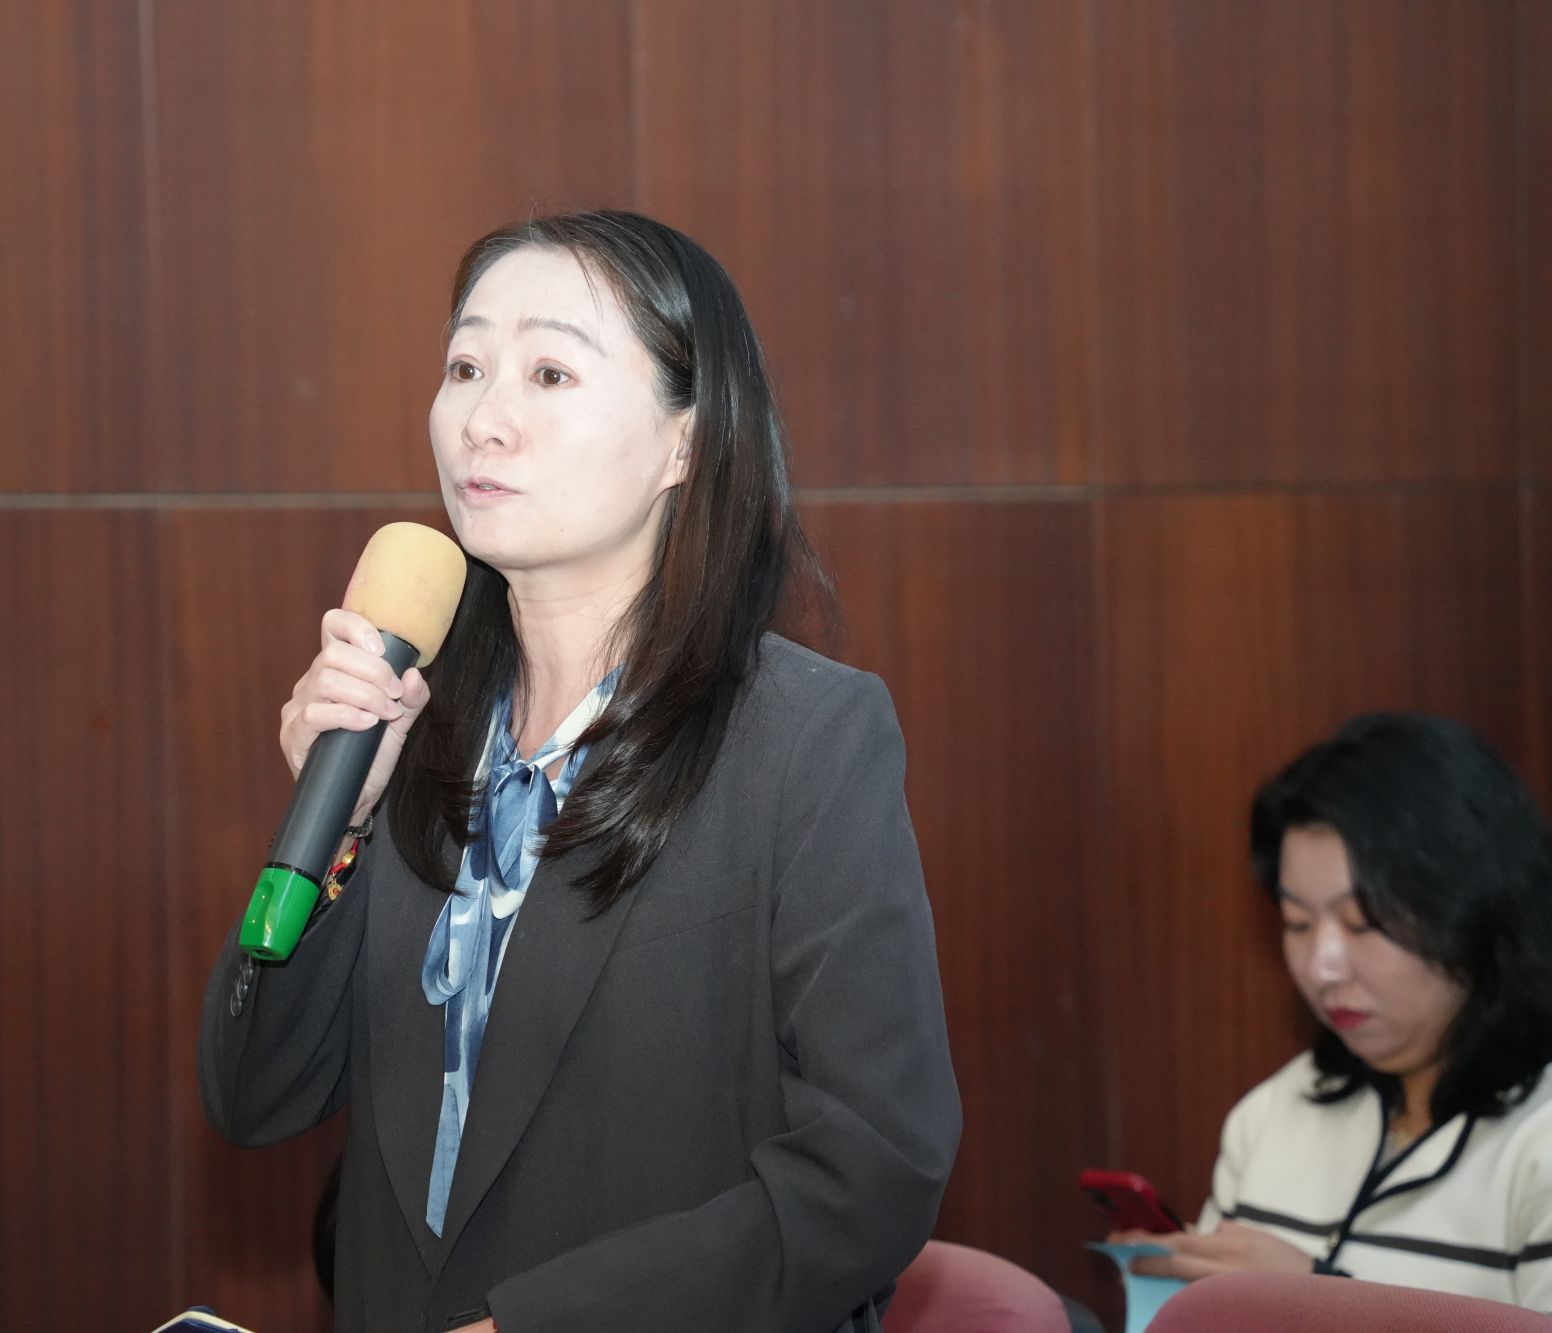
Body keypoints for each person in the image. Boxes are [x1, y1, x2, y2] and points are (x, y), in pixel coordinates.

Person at [200, 210, 959, 1332]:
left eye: (549, 373)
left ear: (685, 444)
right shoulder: (415, 724)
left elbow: (874, 1163)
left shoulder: (803, 738)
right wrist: (339, 825)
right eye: (465, 367)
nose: (483, 419)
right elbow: (254, 1096)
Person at [1114, 713, 1552, 1310]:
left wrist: (1325, 1299)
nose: (1322, 967)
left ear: (1478, 910)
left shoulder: (1537, 1135)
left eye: (1362, 922)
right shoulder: (1276, 1112)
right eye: (1297, 923)